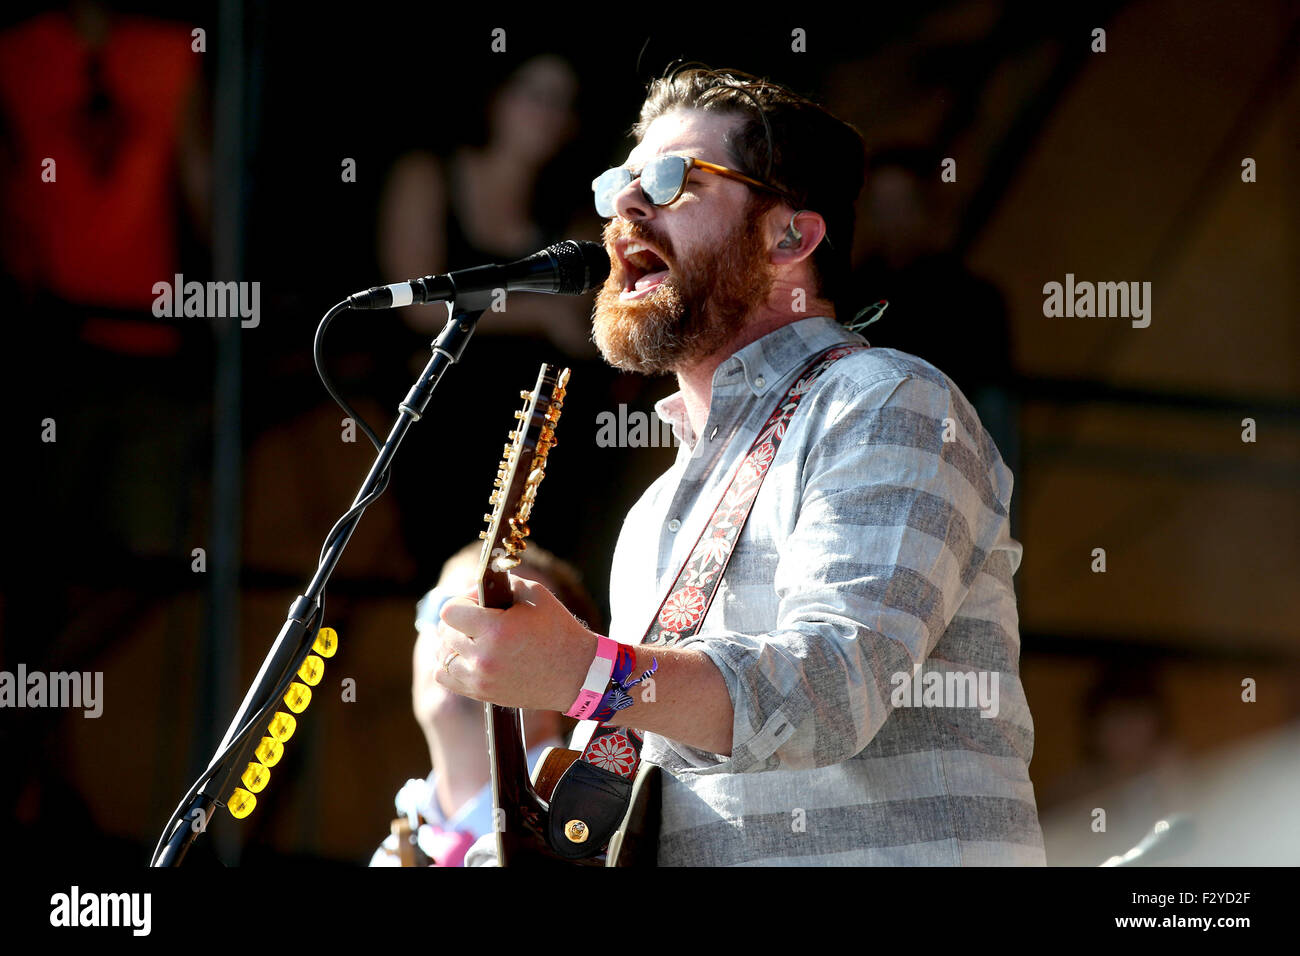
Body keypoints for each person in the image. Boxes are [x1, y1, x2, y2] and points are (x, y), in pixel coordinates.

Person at [434, 65, 1046, 865]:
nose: (627, 204)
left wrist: (585, 670)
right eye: (620, 180)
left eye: (671, 178)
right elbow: (654, 776)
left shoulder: (888, 401)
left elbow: (832, 691)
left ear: (789, 237)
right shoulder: (656, 511)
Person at [370, 542, 599, 866]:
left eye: (497, 616)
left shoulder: (596, 833)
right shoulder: (391, 856)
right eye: (441, 609)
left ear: (570, 679)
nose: (456, 635)